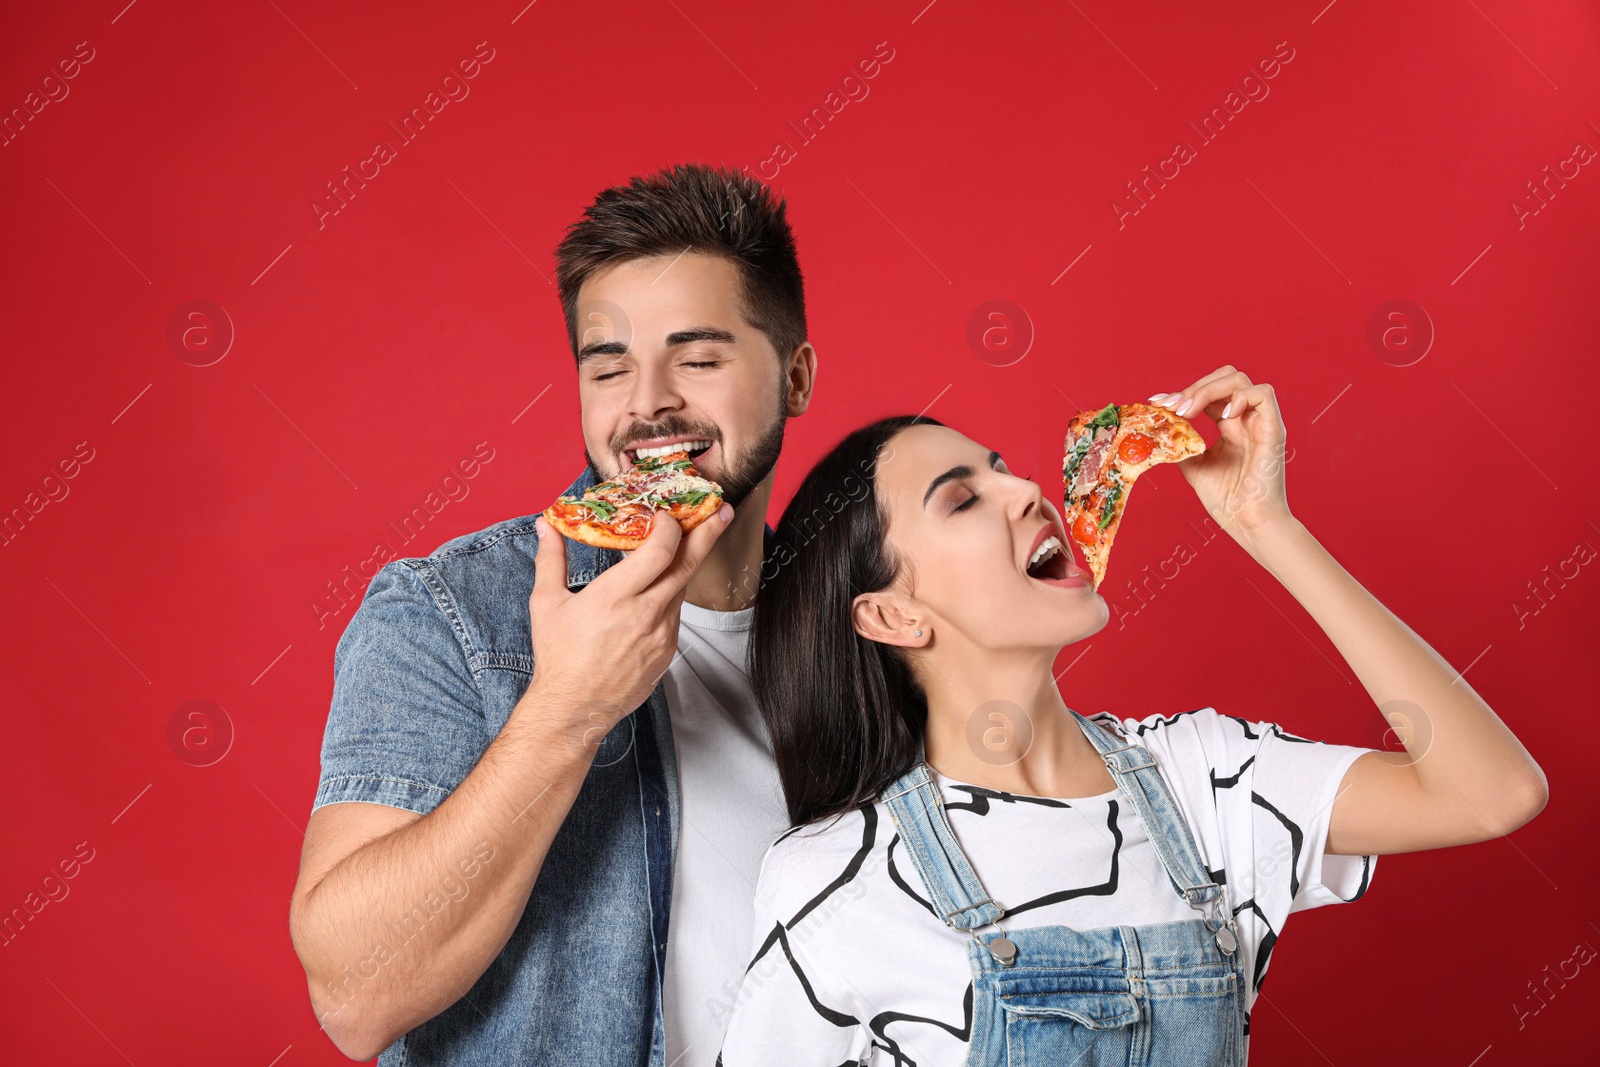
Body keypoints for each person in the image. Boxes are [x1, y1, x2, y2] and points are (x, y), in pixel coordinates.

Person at [717, 367, 1547, 1066]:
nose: (1027, 489)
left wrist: (1267, 525)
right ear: (894, 617)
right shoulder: (842, 877)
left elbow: (1493, 791)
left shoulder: (1205, 779)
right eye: (965, 499)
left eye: (1003, 466)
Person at [289, 164, 817, 1066]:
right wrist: (568, 708)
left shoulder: (877, 628)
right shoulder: (450, 612)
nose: (647, 402)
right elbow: (352, 995)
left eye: (697, 358)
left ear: (796, 378)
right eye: (608, 366)